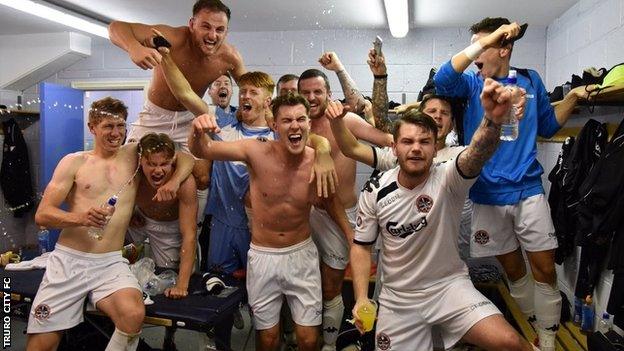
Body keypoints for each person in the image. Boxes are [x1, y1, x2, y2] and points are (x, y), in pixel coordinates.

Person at [433, 17, 590, 351]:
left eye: (483, 45)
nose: (476, 53)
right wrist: (484, 41)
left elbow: (547, 126)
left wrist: (573, 97)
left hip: (528, 190)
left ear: (504, 48)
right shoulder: (473, 84)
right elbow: (445, 78)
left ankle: (546, 341)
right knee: (514, 271)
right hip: (487, 195)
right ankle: (537, 323)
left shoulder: (530, 80)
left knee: (545, 269)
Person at [351, 78, 535, 351]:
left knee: (508, 341)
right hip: (399, 298)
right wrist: (362, 298)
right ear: (394, 148)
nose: (416, 148)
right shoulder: (376, 190)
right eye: (408, 141)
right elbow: (361, 247)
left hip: (449, 288)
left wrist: (493, 120)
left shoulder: (449, 176)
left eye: (424, 141)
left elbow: (477, 152)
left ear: (434, 144)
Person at [188, 93, 354, 351]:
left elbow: (332, 203)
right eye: (286, 120)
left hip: (301, 255)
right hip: (263, 256)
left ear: (309, 124)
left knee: (309, 339)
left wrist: (352, 239)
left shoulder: (319, 161)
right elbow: (204, 149)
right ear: (274, 126)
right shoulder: (255, 151)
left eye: (301, 119)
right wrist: (197, 130)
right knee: (268, 338)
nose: (295, 125)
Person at [28, 97, 193, 351]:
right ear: (92, 127)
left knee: (133, 314)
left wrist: (174, 182)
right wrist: (79, 218)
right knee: (41, 345)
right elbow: (43, 215)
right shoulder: (74, 162)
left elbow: (184, 158)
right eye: (108, 126)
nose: (116, 133)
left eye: (120, 126)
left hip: (109, 263)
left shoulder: (134, 155)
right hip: (70, 260)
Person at [109, 0, 246, 224]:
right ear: (192, 24)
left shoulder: (230, 57)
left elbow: (252, 87)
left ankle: (195, 229)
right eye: (206, 26)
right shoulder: (172, 37)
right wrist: (134, 47)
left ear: (226, 31)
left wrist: (263, 114)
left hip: (189, 118)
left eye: (220, 29)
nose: (213, 35)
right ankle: (130, 216)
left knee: (202, 177)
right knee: (128, 167)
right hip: (154, 115)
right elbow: (116, 27)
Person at [298, 68, 392, 350]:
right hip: (306, 214)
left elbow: (386, 139)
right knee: (305, 284)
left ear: (328, 94)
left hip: (343, 216)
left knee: (331, 285)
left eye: (318, 92)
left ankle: (328, 344)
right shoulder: (296, 125)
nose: (312, 97)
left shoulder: (346, 120)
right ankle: (303, 338)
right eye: (306, 93)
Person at [128, 132, 197, 298]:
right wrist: (129, 213)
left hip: (168, 229)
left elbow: (189, 234)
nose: (158, 170)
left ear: (172, 161)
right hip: (138, 219)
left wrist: (181, 285)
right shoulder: (132, 172)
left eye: (164, 164)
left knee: (168, 276)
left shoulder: (185, 183)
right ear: (140, 161)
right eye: (151, 164)